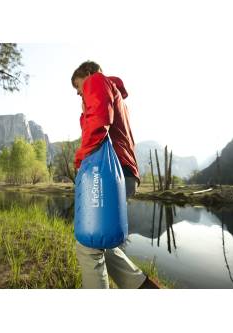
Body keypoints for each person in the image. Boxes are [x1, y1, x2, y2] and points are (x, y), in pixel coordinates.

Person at [71, 61, 159, 289]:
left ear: (88, 73)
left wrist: (80, 160)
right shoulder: (114, 91)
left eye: (78, 85)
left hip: (109, 173)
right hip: (125, 174)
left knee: (89, 246)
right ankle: (141, 286)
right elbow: (100, 122)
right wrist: (84, 114)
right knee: (102, 238)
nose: (79, 91)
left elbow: (100, 122)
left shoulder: (97, 81)